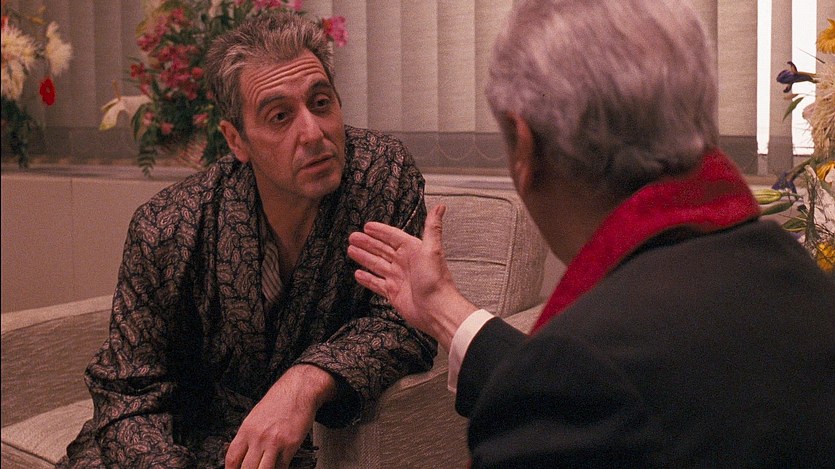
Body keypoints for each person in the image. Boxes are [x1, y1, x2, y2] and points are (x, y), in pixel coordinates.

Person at [347, 0, 835, 466]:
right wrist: (443, 307)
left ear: (524, 143)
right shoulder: (796, 278)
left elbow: (593, 386)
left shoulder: (572, 384)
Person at [57, 12, 435, 469]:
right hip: (173, 442)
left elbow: (406, 322)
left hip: (294, 447)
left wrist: (307, 380)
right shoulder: (167, 226)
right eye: (280, 116)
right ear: (236, 140)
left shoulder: (381, 174)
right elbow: (127, 390)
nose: (312, 132)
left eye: (321, 103)